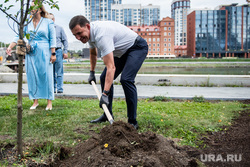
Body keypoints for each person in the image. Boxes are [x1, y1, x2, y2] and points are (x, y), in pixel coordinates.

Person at [69, 15, 148, 129]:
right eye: (74, 35)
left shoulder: (101, 35)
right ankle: (107, 114)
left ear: (87, 26)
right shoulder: (89, 35)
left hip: (136, 47)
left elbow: (111, 67)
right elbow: (93, 53)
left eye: (79, 33)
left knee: (126, 79)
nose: (78, 37)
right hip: (121, 52)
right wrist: (92, 72)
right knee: (103, 77)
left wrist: (105, 94)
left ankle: (132, 121)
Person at [6, 0, 56, 110]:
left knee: (46, 75)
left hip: (45, 51)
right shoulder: (27, 23)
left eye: (33, 7)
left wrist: (53, 53)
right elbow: (18, 35)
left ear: (39, 9)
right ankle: (35, 101)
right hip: (31, 51)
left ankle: (49, 101)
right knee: (32, 75)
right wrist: (10, 46)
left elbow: (52, 38)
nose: (31, 10)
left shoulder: (48, 22)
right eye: (30, 8)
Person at [49, 13, 68, 94]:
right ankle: (52, 89)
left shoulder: (59, 28)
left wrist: (65, 51)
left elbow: (65, 40)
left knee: (59, 71)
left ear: (53, 19)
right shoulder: (46, 29)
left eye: (50, 19)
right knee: (51, 71)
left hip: (58, 51)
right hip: (49, 52)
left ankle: (60, 89)